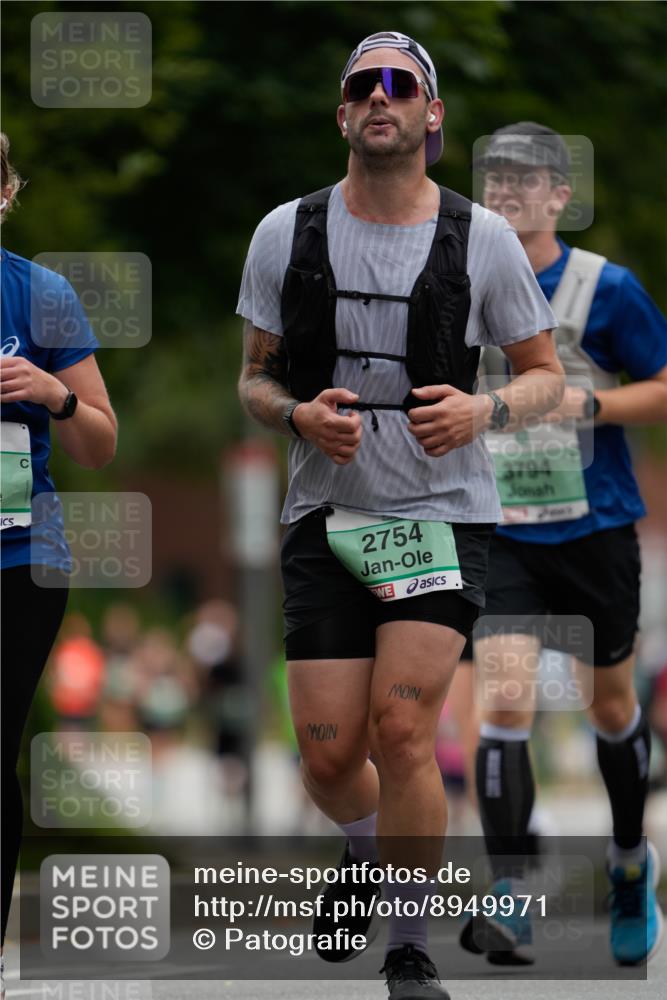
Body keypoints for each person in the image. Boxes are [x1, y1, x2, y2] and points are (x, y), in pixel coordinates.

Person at [236, 34, 563, 999]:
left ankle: (408, 946)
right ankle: (364, 847)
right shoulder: (282, 233)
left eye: (401, 85)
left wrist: (484, 408)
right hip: (324, 513)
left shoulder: (484, 240)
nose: (381, 99)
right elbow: (253, 381)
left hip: (442, 510)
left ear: (431, 116)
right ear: (342, 114)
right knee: (332, 757)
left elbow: (544, 377)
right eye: (362, 86)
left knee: (402, 731)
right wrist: (295, 413)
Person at [459, 122, 667, 968]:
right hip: (500, 528)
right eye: (493, 179)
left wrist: (590, 407)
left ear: (559, 195)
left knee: (609, 708)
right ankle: (511, 895)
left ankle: (627, 865)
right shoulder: (459, 283)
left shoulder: (602, 288)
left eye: (526, 179)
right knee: (503, 702)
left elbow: (660, 386)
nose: (507, 192)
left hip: (595, 529)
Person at [0, 132, 117, 974]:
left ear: (6, 193)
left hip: (20, 561)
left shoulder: (41, 297)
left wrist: (55, 392)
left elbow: (101, 446)